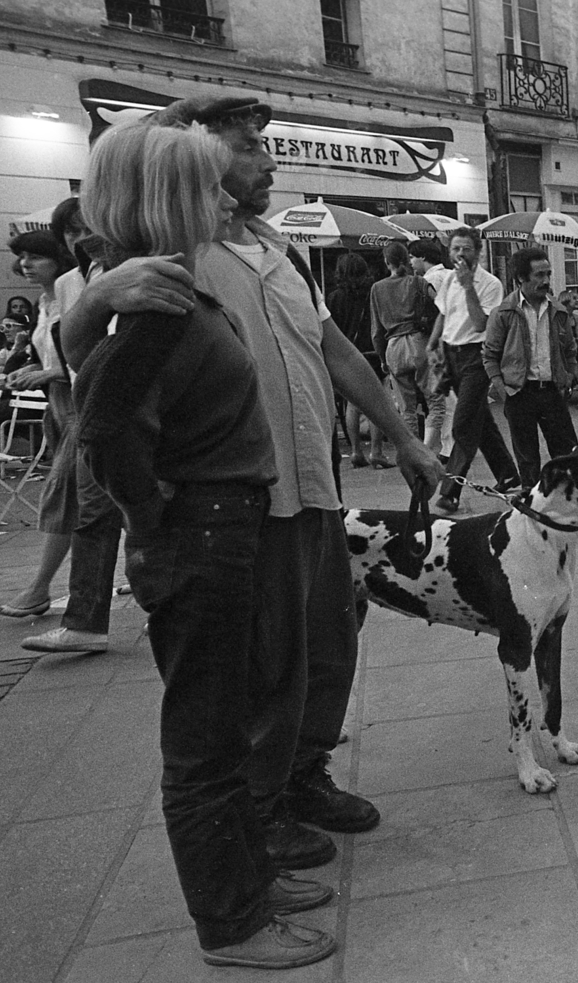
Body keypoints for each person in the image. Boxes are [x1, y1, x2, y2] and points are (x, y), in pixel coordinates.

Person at [60, 95, 444, 874]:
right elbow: (91, 370)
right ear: (194, 159)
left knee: (328, 644)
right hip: (238, 503)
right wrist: (99, 295)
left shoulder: (281, 248)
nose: (266, 163)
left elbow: (336, 353)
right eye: (245, 147)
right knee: (264, 667)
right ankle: (259, 814)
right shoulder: (167, 255)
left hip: (315, 487)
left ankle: (303, 778)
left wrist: (404, 439)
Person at [73, 118, 335, 970]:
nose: (227, 195)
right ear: (173, 197)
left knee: (227, 726)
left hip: (226, 523)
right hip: (204, 532)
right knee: (206, 742)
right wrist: (156, 518)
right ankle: (231, 920)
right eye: (209, 184)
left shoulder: (173, 286)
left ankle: (251, 879)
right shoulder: (155, 304)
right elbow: (106, 431)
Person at [17, 198, 128, 654]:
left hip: (130, 404)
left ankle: (139, 597)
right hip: (88, 407)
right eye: (72, 232)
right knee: (93, 510)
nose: (83, 239)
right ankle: (85, 618)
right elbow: (74, 348)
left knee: (128, 507)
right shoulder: (69, 283)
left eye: (89, 228)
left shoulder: (130, 269)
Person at [2, 229, 79, 624]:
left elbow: (88, 356)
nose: (25, 265)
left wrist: (48, 373)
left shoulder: (74, 293)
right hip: (59, 409)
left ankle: (39, 587)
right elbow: (51, 355)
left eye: (35, 257)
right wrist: (33, 370)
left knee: (62, 496)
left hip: (80, 406)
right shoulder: (45, 301)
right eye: (22, 258)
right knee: (90, 499)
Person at [428, 227, 519, 510]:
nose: (460, 254)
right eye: (455, 249)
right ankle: (507, 473)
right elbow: (443, 314)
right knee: (481, 421)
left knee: (463, 423)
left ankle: (451, 490)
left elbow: (482, 324)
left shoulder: (490, 284)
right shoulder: (448, 281)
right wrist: (431, 346)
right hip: (450, 354)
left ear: (478, 252)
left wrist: (469, 286)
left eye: (466, 249)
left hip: (476, 357)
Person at [483, 246, 578, 483]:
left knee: (567, 453)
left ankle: (572, 506)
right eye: (539, 275)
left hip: (552, 391)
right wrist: (502, 390)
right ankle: (531, 509)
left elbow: (570, 350)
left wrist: (568, 377)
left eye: (548, 274)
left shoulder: (558, 312)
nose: (546, 281)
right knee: (527, 459)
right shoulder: (504, 312)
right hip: (519, 393)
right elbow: (490, 356)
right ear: (521, 278)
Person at [368, 242, 437, 447]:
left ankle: (414, 448)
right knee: (434, 401)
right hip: (418, 343)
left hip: (394, 347)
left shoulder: (377, 289)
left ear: (386, 262)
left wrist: (382, 359)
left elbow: (376, 331)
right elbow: (442, 304)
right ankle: (432, 446)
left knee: (406, 407)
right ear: (407, 259)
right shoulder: (418, 282)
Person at [326, 253, 389, 469]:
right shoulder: (372, 292)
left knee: (352, 403)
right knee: (376, 401)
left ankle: (355, 451)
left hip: (346, 353)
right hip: (371, 351)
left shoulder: (334, 297)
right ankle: (377, 451)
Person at [406, 237, 453, 456]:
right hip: (454, 339)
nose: (411, 261)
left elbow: (439, 310)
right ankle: (449, 443)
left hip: (437, 340)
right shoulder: (450, 275)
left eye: (413, 256)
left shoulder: (430, 279)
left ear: (423, 257)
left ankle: (447, 445)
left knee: (441, 394)